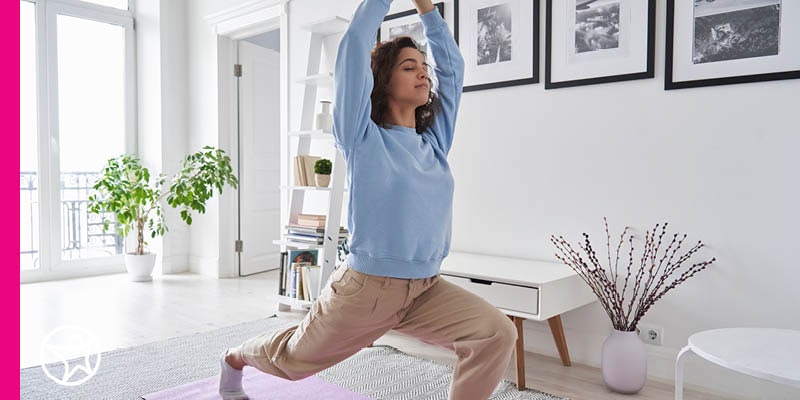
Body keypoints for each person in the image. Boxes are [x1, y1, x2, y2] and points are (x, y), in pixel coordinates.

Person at [218, 1, 517, 399]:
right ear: (382, 81)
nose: (423, 73)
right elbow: (356, 42)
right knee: (293, 360)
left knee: (496, 332)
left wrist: (428, 9)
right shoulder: (361, 137)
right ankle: (235, 358)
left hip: (425, 289)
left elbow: (453, 69)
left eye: (423, 67)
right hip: (366, 292)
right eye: (409, 67)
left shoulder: (435, 143)